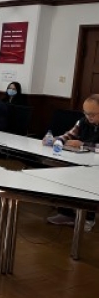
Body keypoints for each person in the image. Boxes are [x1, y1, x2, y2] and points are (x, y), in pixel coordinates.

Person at [47, 95, 99, 230]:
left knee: (88, 181)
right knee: (63, 173)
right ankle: (66, 213)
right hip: (80, 160)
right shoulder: (82, 121)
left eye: (92, 114)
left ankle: (88, 218)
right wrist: (55, 140)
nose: (89, 117)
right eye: (86, 113)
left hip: (95, 167)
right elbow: (68, 135)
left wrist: (83, 145)